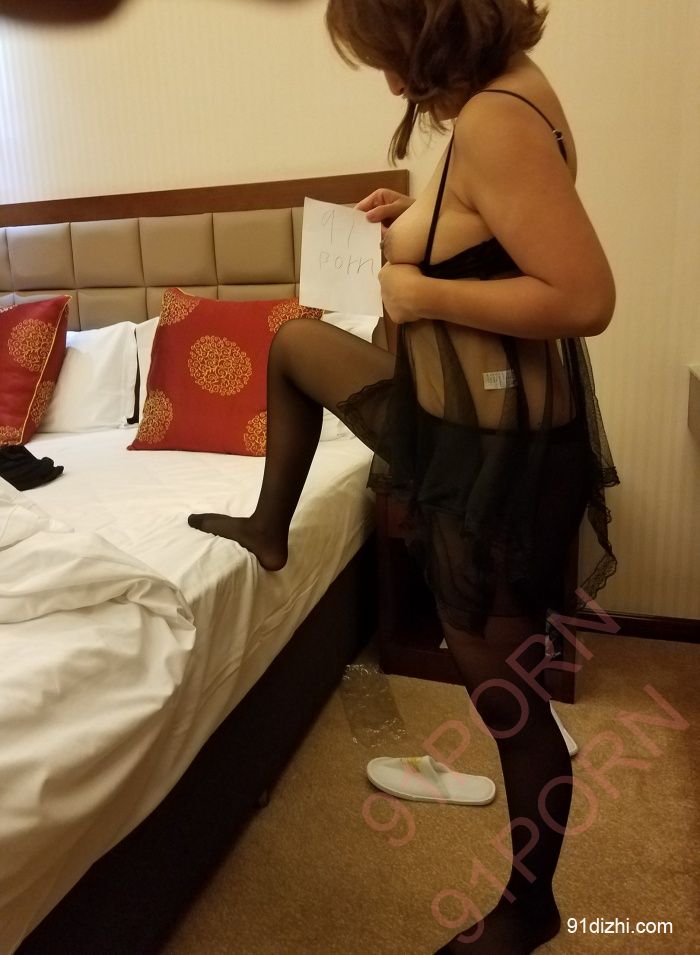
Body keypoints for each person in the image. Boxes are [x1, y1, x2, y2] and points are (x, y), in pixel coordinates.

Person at [189, 1, 619, 951]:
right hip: (452, 416)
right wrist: (411, 223)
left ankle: (532, 906)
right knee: (295, 344)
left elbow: (586, 296)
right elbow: (496, 230)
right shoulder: (508, 93)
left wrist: (421, 287)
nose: (390, 82)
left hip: (489, 449)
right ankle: (269, 527)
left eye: (392, 58)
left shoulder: (496, 118)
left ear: (431, 32)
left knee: (503, 693)